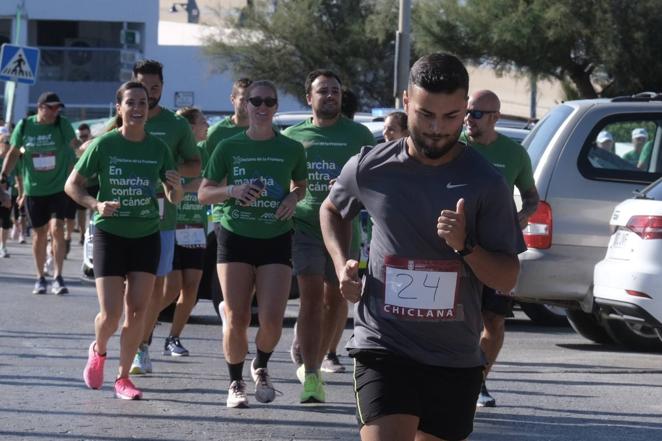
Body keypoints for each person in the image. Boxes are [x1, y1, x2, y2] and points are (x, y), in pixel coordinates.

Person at [320, 53, 525, 441]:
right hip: (383, 344)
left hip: (454, 356)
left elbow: (507, 274)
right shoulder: (370, 167)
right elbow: (331, 209)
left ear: (465, 110)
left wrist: (465, 246)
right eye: (425, 114)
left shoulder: (485, 183)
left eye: (450, 117)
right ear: (406, 101)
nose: (435, 128)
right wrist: (340, 261)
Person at [65, 81, 183, 400]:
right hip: (110, 234)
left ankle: (123, 378)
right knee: (112, 314)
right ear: (119, 108)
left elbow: (173, 196)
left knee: (138, 311)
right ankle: (99, 349)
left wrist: (175, 186)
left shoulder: (158, 149)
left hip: (146, 235)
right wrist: (95, 204)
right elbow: (72, 185)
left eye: (143, 102)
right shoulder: (103, 145)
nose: (137, 108)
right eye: (130, 102)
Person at [198, 80, 307, 408]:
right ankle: (235, 382)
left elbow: (300, 185)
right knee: (236, 315)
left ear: (275, 107)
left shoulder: (291, 148)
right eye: (254, 101)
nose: (261, 107)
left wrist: (292, 197)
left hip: (275, 238)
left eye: (268, 101)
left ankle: (260, 364)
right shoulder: (228, 146)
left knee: (273, 318)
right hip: (234, 236)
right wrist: (232, 190)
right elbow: (204, 192)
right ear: (245, 106)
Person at [283, 69, 375, 403]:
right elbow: (287, 181)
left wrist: (353, 189)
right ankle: (311, 375)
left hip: (343, 225)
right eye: (323, 91)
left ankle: (316, 358)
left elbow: (373, 177)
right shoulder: (293, 135)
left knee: (337, 298)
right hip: (305, 225)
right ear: (309, 97)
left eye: (335, 90)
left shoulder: (359, 134)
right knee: (310, 297)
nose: (330, 96)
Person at [464, 89, 540, 408]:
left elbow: (531, 196)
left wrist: (524, 215)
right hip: (458, 247)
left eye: (477, 114)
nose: (469, 118)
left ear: (495, 117)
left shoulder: (514, 153)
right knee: (459, 319)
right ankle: (452, 381)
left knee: (494, 321)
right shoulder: (455, 147)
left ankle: (478, 382)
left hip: (498, 249)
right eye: (467, 111)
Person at [129, 59, 201, 375]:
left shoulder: (175, 125)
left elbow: (194, 164)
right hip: (124, 220)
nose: (150, 93)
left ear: (162, 87)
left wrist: (165, 172)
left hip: (162, 221)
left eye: (155, 87)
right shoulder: (120, 119)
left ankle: (141, 346)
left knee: (157, 290)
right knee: (127, 294)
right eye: (144, 87)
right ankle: (129, 338)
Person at [1, 92, 79, 295]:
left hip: (59, 188)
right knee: (39, 233)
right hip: (34, 189)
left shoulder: (62, 125)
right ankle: (40, 277)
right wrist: (3, 177)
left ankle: (57, 276)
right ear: (40, 107)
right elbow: (14, 152)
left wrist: (82, 172)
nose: (56, 112)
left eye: (58, 108)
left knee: (57, 228)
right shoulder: (25, 125)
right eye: (51, 107)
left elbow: (76, 149)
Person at [160, 106, 210, 357]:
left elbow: (206, 183)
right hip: (171, 226)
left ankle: (174, 337)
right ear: (189, 128)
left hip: (195, 228)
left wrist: (187, 186)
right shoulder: (172, 153)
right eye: (202, 122)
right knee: (171, 288)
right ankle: (143, 327)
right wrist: (191, 185)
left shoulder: (204, 153)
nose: (207, 126)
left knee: (192, 288)